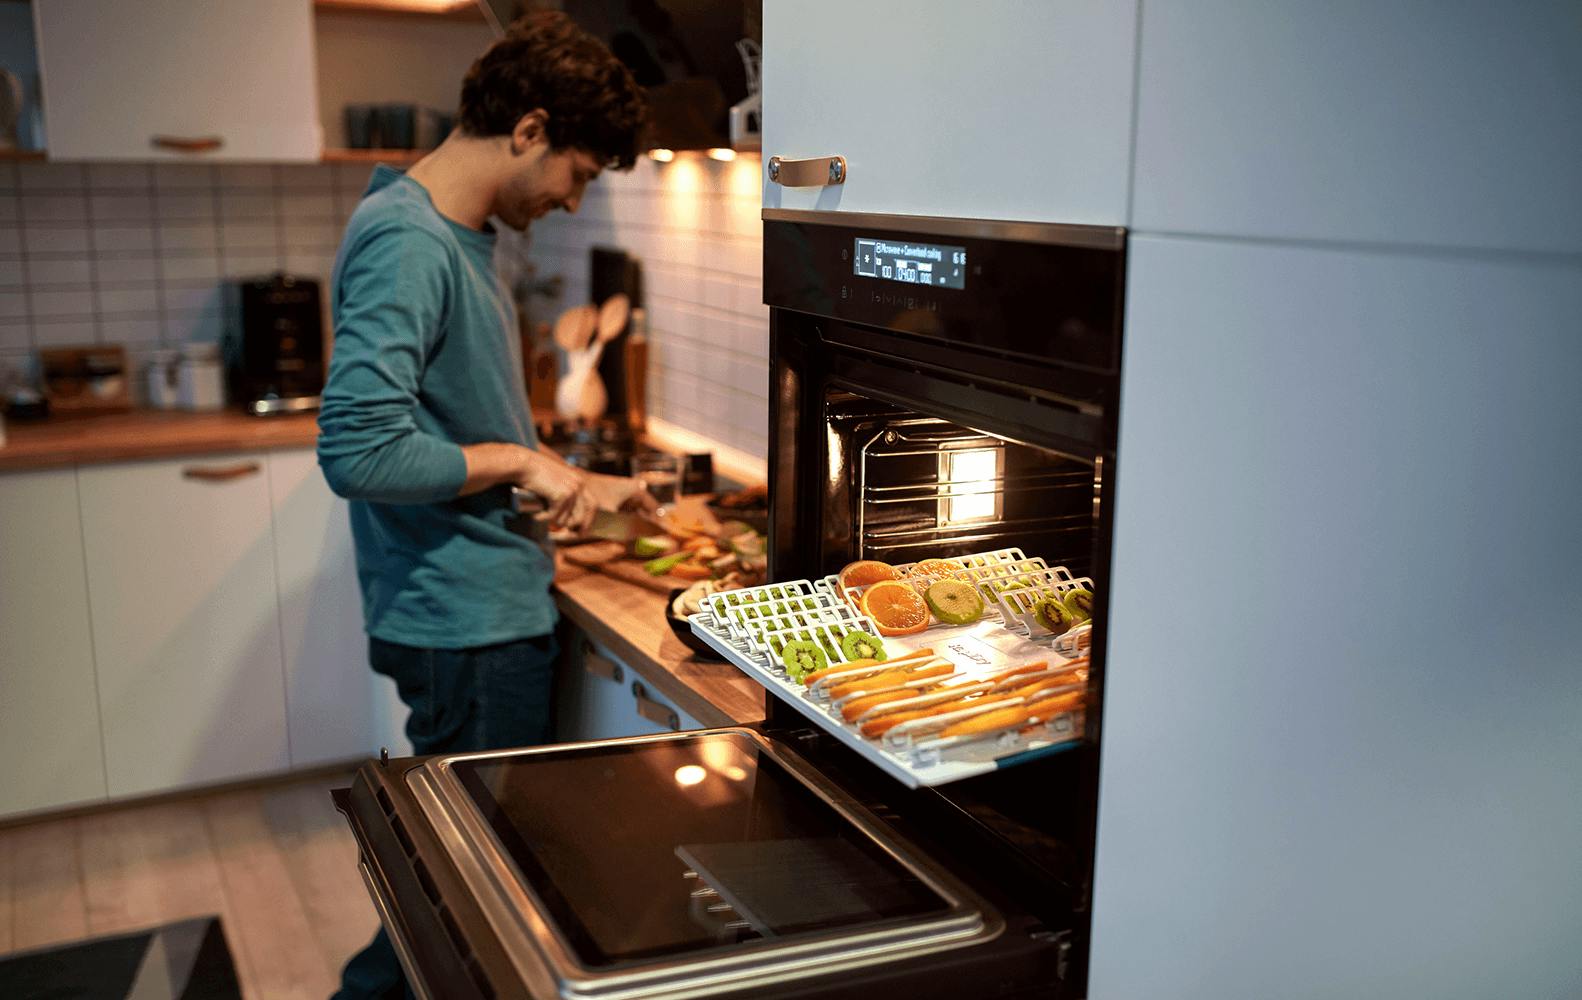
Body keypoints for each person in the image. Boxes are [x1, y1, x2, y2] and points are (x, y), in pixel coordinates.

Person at [317, 12, 651, 999]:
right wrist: (518, 461)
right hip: (465, 620)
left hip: (473, 608)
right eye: (576, 174)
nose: (571, 200)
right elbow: (358, 449)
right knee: (467, 898)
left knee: (459, 881)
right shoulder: (409, 241)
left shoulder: (449, 233)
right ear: (529, 129)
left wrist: (567, 477)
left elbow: (448, 418)